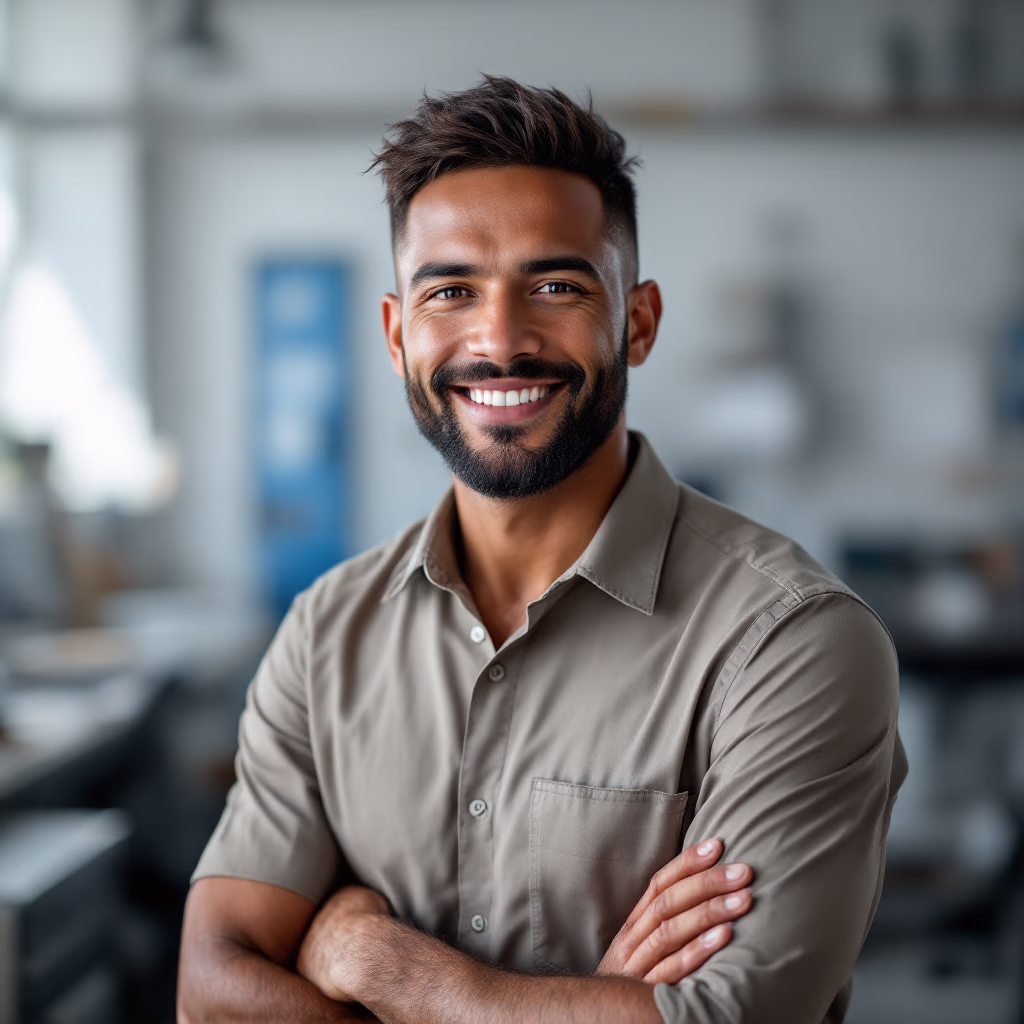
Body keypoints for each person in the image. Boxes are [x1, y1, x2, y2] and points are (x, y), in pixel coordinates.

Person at [177, 76, 907, 1024]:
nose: (501, 339)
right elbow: (212, 987)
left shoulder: (791, 645)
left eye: (555, 286)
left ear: (636, 322)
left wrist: (378, 961)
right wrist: (602, 1005)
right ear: (399, 337)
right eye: (450, 291)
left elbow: (733, 1019)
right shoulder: (327, 634)